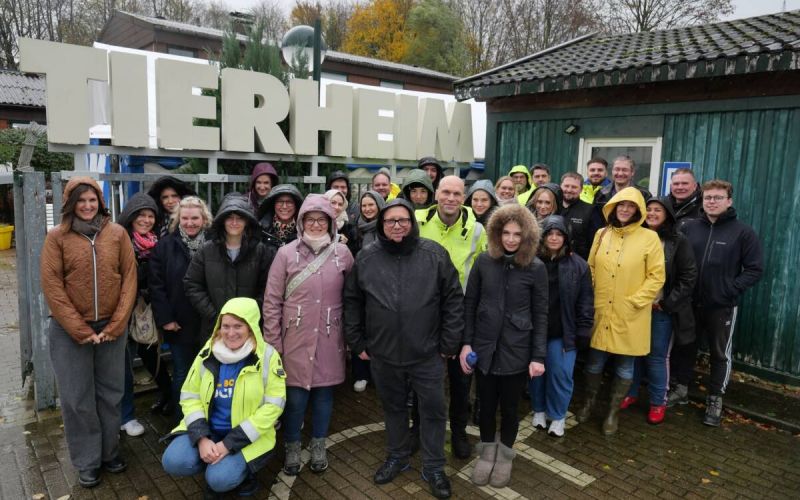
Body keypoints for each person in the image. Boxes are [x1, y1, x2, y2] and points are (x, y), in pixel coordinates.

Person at [345, 199, 463, 499]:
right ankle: (397, 456)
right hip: (383, 354)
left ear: (412, 222)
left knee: (434, 411)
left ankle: (434, 466)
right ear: (381, 225)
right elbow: (352, 301)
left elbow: (453, 299)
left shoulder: (434, 255)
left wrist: (449, 342)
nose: (397, 226)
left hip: (428, 354)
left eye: (402, 220)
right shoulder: (367, 257)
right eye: (390, 221)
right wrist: (357, 341)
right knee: (394, 409)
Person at [40, 177, 137, 488]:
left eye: (92, 199)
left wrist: (116, 325)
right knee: (77, 398)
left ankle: (109, 453)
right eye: (80, 200)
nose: (87, 205)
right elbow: (52, 286)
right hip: (70, 332)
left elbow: (129, 280)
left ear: (100, 201)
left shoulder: (118, 234)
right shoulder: (57, 238)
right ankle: (88, 461)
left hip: (111, 328)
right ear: (70, 203)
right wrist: (79, 329)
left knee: (110, 395)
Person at [263, 194, 354, 476]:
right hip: (295, 338)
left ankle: (318, 444)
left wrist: (352, 337)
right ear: (301, 222)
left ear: (331, 222)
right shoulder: (286, 253)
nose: (316, 224)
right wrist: (273, 340)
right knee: (295, 398)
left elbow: (353, 297)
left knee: (324, 395)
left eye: (321, 219)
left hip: (330, 335)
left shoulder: (343, 254)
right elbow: (272, 299)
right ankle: (291, 445)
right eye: (310, 219)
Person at [161, 297, 286, 499]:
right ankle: (214, 462)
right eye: (225, 326)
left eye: (238, 326)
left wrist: (227, 445)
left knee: (219, 480)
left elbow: (273, 407)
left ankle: (240, 474)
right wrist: (201, 438)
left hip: (245, 438)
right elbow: (189, 395)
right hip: (209, 432)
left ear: (251, 327)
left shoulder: (268, 358)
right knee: (173, 461)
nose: (230, 332)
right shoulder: (207, 352)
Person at [460, 205, 547, 487]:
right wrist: (466, 344)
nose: (510, 239)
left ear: (527, 236)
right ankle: (486, 453)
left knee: (510, 409)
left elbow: (541, 313)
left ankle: (505, 455)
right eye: (505, 232)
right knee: (486, 407)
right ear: (497, 233)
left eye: (517, 234)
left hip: (517, 351)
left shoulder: (536, 267)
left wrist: (538, 356)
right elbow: (470, 304)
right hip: (484, 349)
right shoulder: (484, 261)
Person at [670, 180, 763, 427]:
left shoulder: (743, 232)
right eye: (708, 197)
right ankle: (680, 389)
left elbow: (754, 269)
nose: (712, 201)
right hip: (689, 303)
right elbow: (675, 260)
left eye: (717, 197)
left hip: (721, 306)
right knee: (684, 347)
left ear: (729, 201)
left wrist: (728, 290)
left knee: (719, 354)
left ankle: (715, 398)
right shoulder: (689, 228)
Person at [577, 187, 665, 435]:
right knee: (594, 362)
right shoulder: (601, 233)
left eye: (631, 206)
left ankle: (612, 413)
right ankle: (589, 403)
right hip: (600, 308)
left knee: (625, 366)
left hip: (631, 314)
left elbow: (656, 277)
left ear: (639, 210)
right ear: (613, 207)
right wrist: (590, 292)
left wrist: (636, 301)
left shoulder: (650, 238)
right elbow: (590, 266)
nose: (625, 210)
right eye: (621, 205)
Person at [416, 175, 487, 460]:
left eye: (457, 193)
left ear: (464, 197)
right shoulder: (418, 222)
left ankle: (458, 433)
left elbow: (487, 270)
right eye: (445, 192)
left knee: (460, 383)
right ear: (436, 194)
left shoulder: (478, 229)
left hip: (461, 315)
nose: (451, 198)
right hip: (423, 314)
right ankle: (417, 430)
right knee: (421, 381)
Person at [620, 197, 696, 425]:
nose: (652, 213)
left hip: (660, 309)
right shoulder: (635, 236)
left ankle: (657, 402)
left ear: (667, 215)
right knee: (633, 353)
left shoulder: (677, 241)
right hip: (636, 307)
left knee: (656, 357)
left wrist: (666, 303)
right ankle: (631, 393)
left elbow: (688, 277)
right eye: (649, 209)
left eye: (657, 210)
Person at [149, 196, 213, 422]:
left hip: (210, 321)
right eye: (185, 218)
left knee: (210, 374)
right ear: (178, 219)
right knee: (183, 374)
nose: (190, 223)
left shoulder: (215, 243)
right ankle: (182, 422)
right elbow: (156, 286)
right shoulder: (165, 246)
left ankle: (208, 419)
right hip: (179, 323)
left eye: (195, 218)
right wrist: (165, 318)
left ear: (204, 218)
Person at [530, 215, 594, 438]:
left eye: (559, 234)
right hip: (536, 330)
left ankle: (557, 416)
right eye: (550, 234)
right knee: (536, 374)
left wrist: (584, 329)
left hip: (564, 332)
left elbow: (586, 300)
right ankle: (538, 410)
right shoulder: (532, 261)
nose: (554, 238)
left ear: (566, 238)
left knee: (561, 374)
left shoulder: (579, 265)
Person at [117, 193, 172, 437]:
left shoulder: (157, 242)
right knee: (123, 366)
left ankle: (167, 394)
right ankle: (125, 416)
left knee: (151, 356)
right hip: (121, 312)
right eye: (141, 215)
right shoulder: (120, 240)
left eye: (151, 216)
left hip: (146, 312)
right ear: (130, 216)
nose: (146, 220)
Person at [185, 194, 274, 340]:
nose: (234, 222)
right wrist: (215, 315)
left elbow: (268, 288)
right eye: (230, 217)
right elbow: (192, 284)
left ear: (247, 221)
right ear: (222, 220)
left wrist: (247, 315)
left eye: (239, 218)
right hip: (214, 328)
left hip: (250, 327)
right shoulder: (207, 250)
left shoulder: (261, 251)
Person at [592, 156, 652, 228]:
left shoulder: (644, 194)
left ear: (632, 172)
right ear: (612, 171)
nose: (620, 173)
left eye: (624, 170)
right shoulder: (601, 194)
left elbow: (647, 222)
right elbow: (595, 222)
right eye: (617, 169)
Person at [257, 184, 303, 250]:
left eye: (289, 202)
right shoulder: (261, 229)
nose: (284, 206)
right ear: (273, 205)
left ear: (296, 205)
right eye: (280, 201)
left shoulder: (304, 230)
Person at [560, 172, 595, 260]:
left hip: (578, 263)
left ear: (581, 190)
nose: (569, 189)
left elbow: (593, 243)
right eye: (566, 186)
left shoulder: (590, 210)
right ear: (560, 186)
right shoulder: (552, 206)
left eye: (574, 187)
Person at [353, 190, 386, 255]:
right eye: (364, 206)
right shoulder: (357, 227)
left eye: (371, 205)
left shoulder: (387, 227)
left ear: (379, 205)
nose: (367, 209)